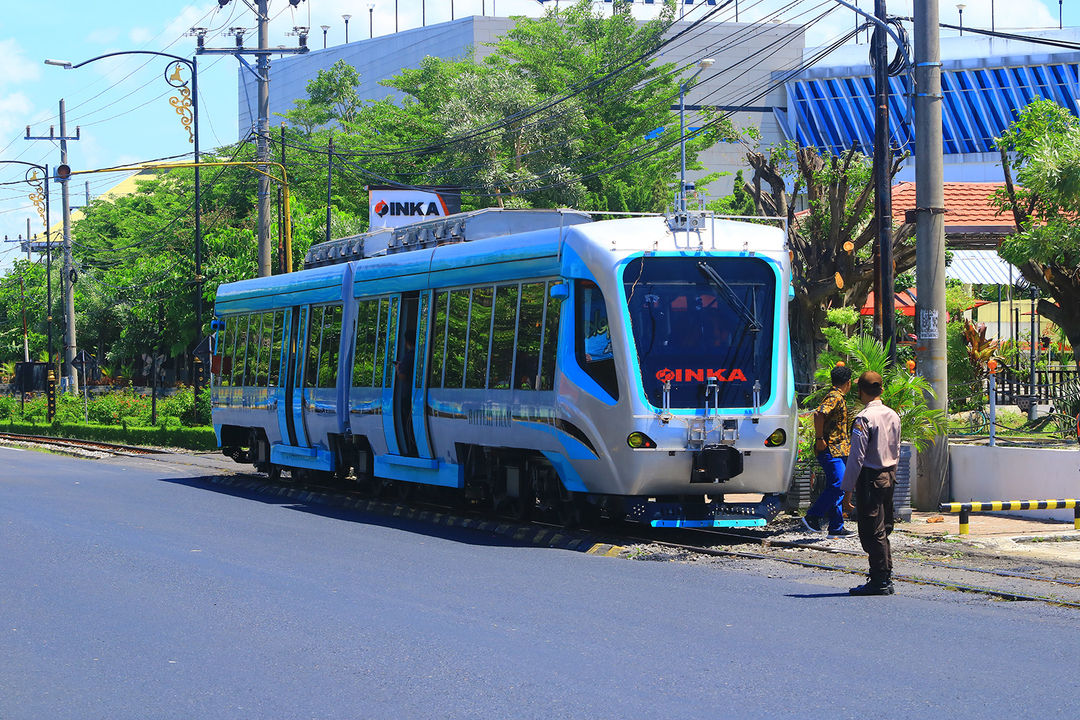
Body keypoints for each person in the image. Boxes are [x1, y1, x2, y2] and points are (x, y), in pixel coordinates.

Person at [841, 370, 902, 596]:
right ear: (882, 390)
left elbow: (856, 458)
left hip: (870, 478)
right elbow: (896, 450)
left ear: (860, 392)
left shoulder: (864, 419)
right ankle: (884, 576)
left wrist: (847, 491)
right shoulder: (893, 415)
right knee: (883, 529)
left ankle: (879, 580)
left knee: (871, 531)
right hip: (890, 475)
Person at [802, 364, 854, 537]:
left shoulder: (837, 396)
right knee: (838, 484)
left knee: (838, 486)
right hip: (831, 448)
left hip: (839, 449)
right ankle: (812, 516)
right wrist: (819, 439)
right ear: (848, 382)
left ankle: (836, 527)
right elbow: (818, 414)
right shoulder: (835, 397)